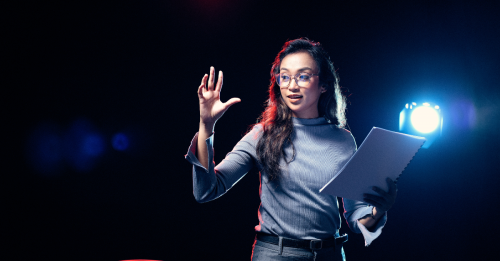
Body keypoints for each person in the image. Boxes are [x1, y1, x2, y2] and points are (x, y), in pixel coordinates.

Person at [185, 38, 397, 260]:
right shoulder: (262, 134)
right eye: (284, 77)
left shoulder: (343, 140)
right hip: (276, 255)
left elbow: (357, 218)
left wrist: (379, 209)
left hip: (330, 254)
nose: (292, 85)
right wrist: (206, 125)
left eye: (303, 76)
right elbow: (206, 191)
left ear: (324, 84)